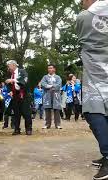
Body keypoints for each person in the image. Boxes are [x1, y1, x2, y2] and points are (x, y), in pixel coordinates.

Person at [76, 0, 108, 179]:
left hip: (96, 73)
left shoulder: (83, 17)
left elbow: (84, 37)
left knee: (92, 111)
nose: (81, 2)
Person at [5, 60, 32, 135]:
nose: (8, 68)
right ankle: (17, 129)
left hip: (24, 95)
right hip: (15, 95)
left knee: (26, 113)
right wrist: (10, 90)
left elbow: (24, 81)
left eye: (9, 66)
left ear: (14, 65)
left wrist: (13, 80)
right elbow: (8, 84)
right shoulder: (9, 74)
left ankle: (28, 129)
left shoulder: (22, 71)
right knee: (16, 113)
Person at [41, 64, 62, 129]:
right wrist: (51, 86)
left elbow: (58, 85)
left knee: (56, 109)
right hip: (47, 94)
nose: (50, 69)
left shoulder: (58, 77)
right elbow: (43, 84)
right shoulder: (45, 77)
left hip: (56, 94)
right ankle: (47, 124)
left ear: (54, 69)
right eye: (49, 68)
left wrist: (50, 86)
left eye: (51, 68)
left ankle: (57, 124)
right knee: (47, 109)